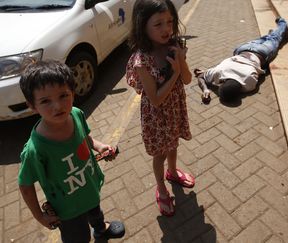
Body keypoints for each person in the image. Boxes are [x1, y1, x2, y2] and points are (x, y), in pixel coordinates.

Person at [17, 60, 125, 243]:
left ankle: (100, 229)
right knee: (78, 238)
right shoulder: (36, 149)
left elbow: (86, 138)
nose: (58, 106)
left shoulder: (75, 114)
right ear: (32, 105)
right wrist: (40, 216)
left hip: (88, 187)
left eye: (63, 95)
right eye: (45, 101)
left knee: (95, 210)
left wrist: (99, 146)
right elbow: (25, 185)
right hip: (67, 208)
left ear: (73, 93)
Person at [126, 0, 195, 217]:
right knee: (160, 153)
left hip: (174, 108)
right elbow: (155, 99)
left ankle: (172, 172)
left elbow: (187, 79)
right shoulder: (142, 60)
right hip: (156, 116)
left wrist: (180, 62)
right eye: (158, 24)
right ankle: (161, 188)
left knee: (173, 143)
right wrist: (174, 72)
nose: (166, 29)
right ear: (142, 26)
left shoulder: (174, 47)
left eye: (170, 22)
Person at [195, 17, 288, 103]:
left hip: (261, 53)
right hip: (242, 49)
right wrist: (206, 84)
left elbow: (201, 76)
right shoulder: (219, 71)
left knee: (275, 39)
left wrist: (205, 89)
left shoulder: (248, 83)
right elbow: (201, 76)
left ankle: (282, 23)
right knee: (264, 39)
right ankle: (270, 33)